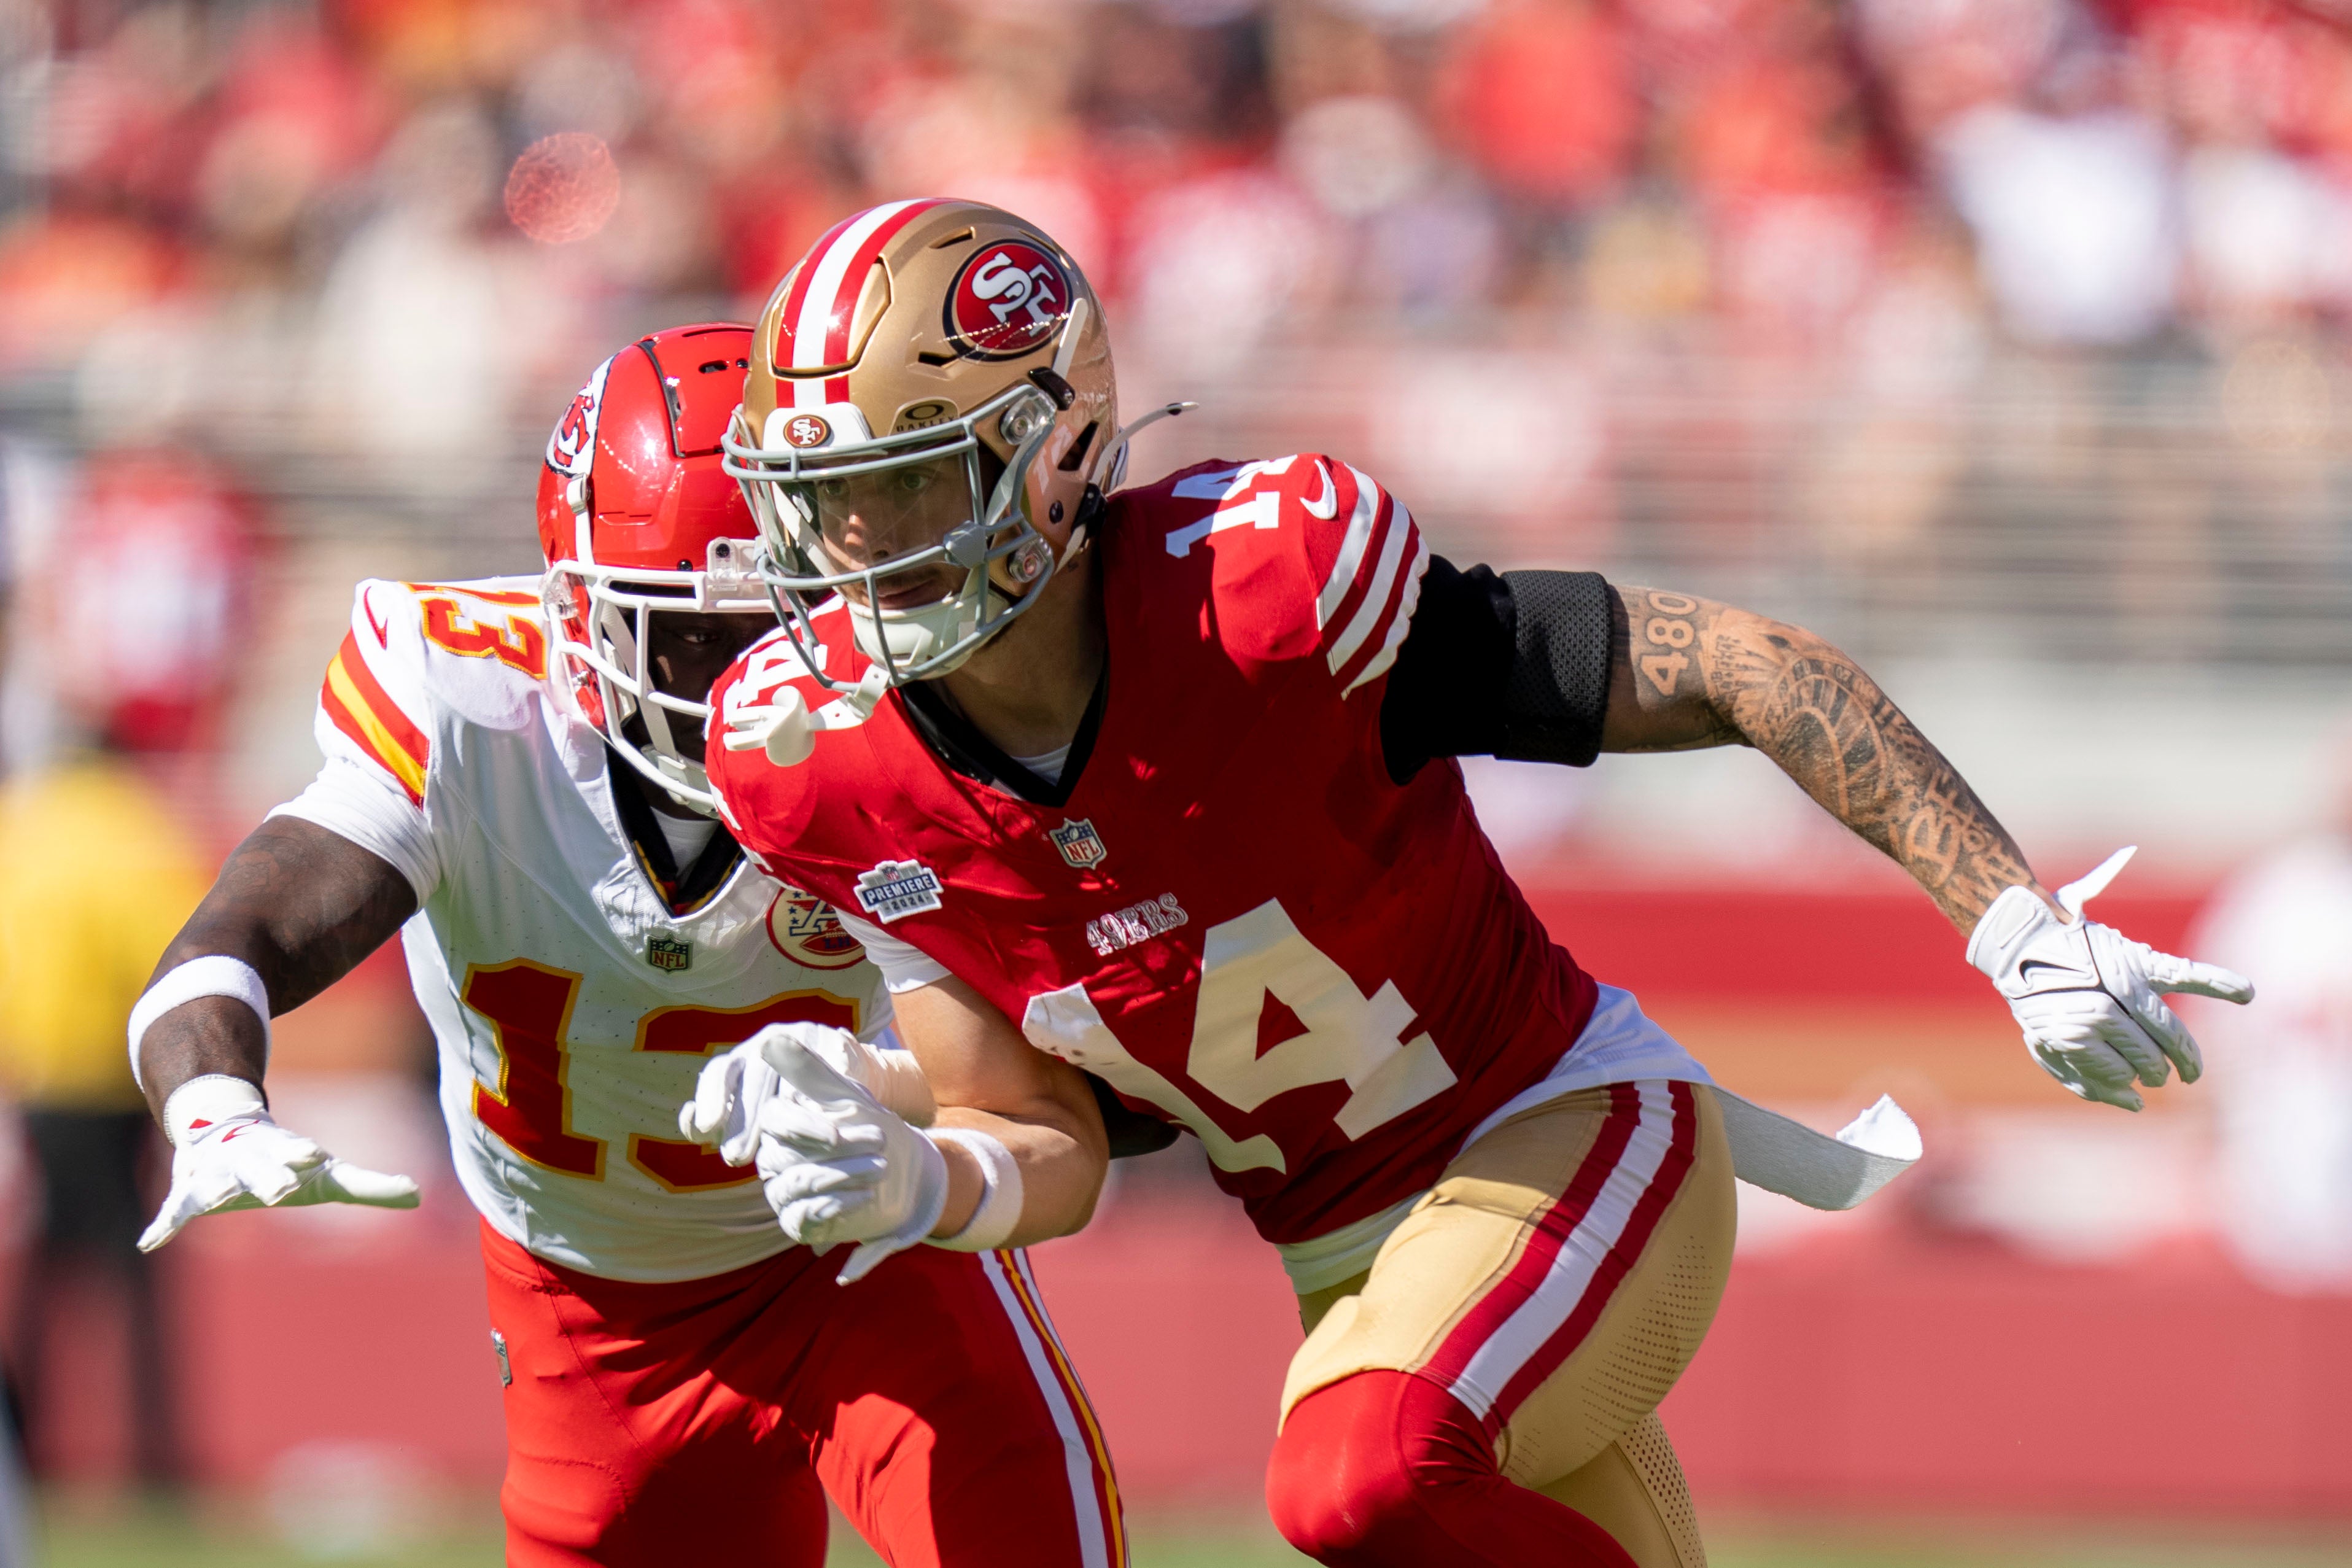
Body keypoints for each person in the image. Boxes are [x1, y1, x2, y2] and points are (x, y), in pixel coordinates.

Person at [694, 200, 2256, 1568]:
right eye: (813, 498)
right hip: (1355, 1264)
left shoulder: (1259, 598)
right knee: (1384, 1479)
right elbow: (1045, 1138)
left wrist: (2009, 918)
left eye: (895, 490)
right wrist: (914, 1173)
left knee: (1349, 1480)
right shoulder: (816, 764)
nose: (844, 546)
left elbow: (1739, 666)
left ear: (1053, 455)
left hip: (1563, 1134)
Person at [126, 324, 1127, 1568]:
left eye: (785, 622)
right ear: (578, 615)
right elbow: (250, 924)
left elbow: (1033, 1104)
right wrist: (214, 1099)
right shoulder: (467, 702)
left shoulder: (903, 726)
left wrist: (892, 1132)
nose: (746, 685)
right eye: (698, 639)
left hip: (865, 1250)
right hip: (586, 1309)